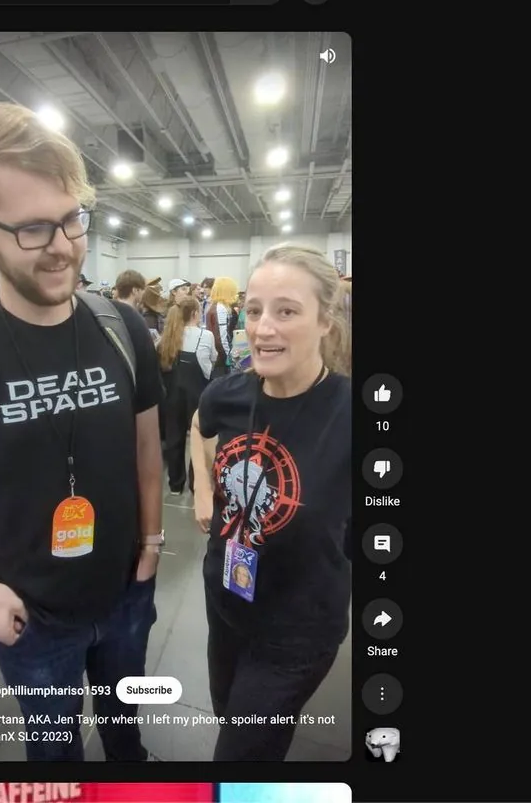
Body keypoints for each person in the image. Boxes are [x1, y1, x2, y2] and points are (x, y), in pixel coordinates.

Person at [0, 102, 165, 762]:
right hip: (27, 618)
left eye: (73, 219)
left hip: (126, 592)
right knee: (55, 757)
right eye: (35, 228)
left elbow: (147, 452)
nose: (64, 246)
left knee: (127, 738)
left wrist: (151, 547)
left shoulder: (121, 328)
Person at [189, 243, 353, 761]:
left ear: (326, 321)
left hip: (299, 628)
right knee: (227, 712)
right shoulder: (227, 394)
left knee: (239, 754)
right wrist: (200, 489)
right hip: (227, 598)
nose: (262, 328)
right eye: (254, 309)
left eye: (286, 311)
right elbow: (199, 426)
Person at [158, 295, 214, 494]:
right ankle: (195, 484)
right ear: (194, 313)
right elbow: (210, 366)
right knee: (198, 440)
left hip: (171, 397)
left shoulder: (166, 338)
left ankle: (175, 484)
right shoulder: (205, 336)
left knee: (174, 438)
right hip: (197, 394)